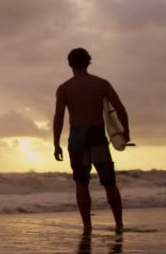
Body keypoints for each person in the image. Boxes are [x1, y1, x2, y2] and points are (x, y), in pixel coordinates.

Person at [53, 48, 130, 233]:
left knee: (81, 182)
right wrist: (125, 132)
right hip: (97, 135)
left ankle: (87, 226)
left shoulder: (65, 88)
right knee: (109, 182)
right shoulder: (101, 84)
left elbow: (59, 118)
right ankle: (119, 224)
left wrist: (56, 144)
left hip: (77, 137)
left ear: (70, 64)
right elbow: (119, 108)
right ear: (89, 62)